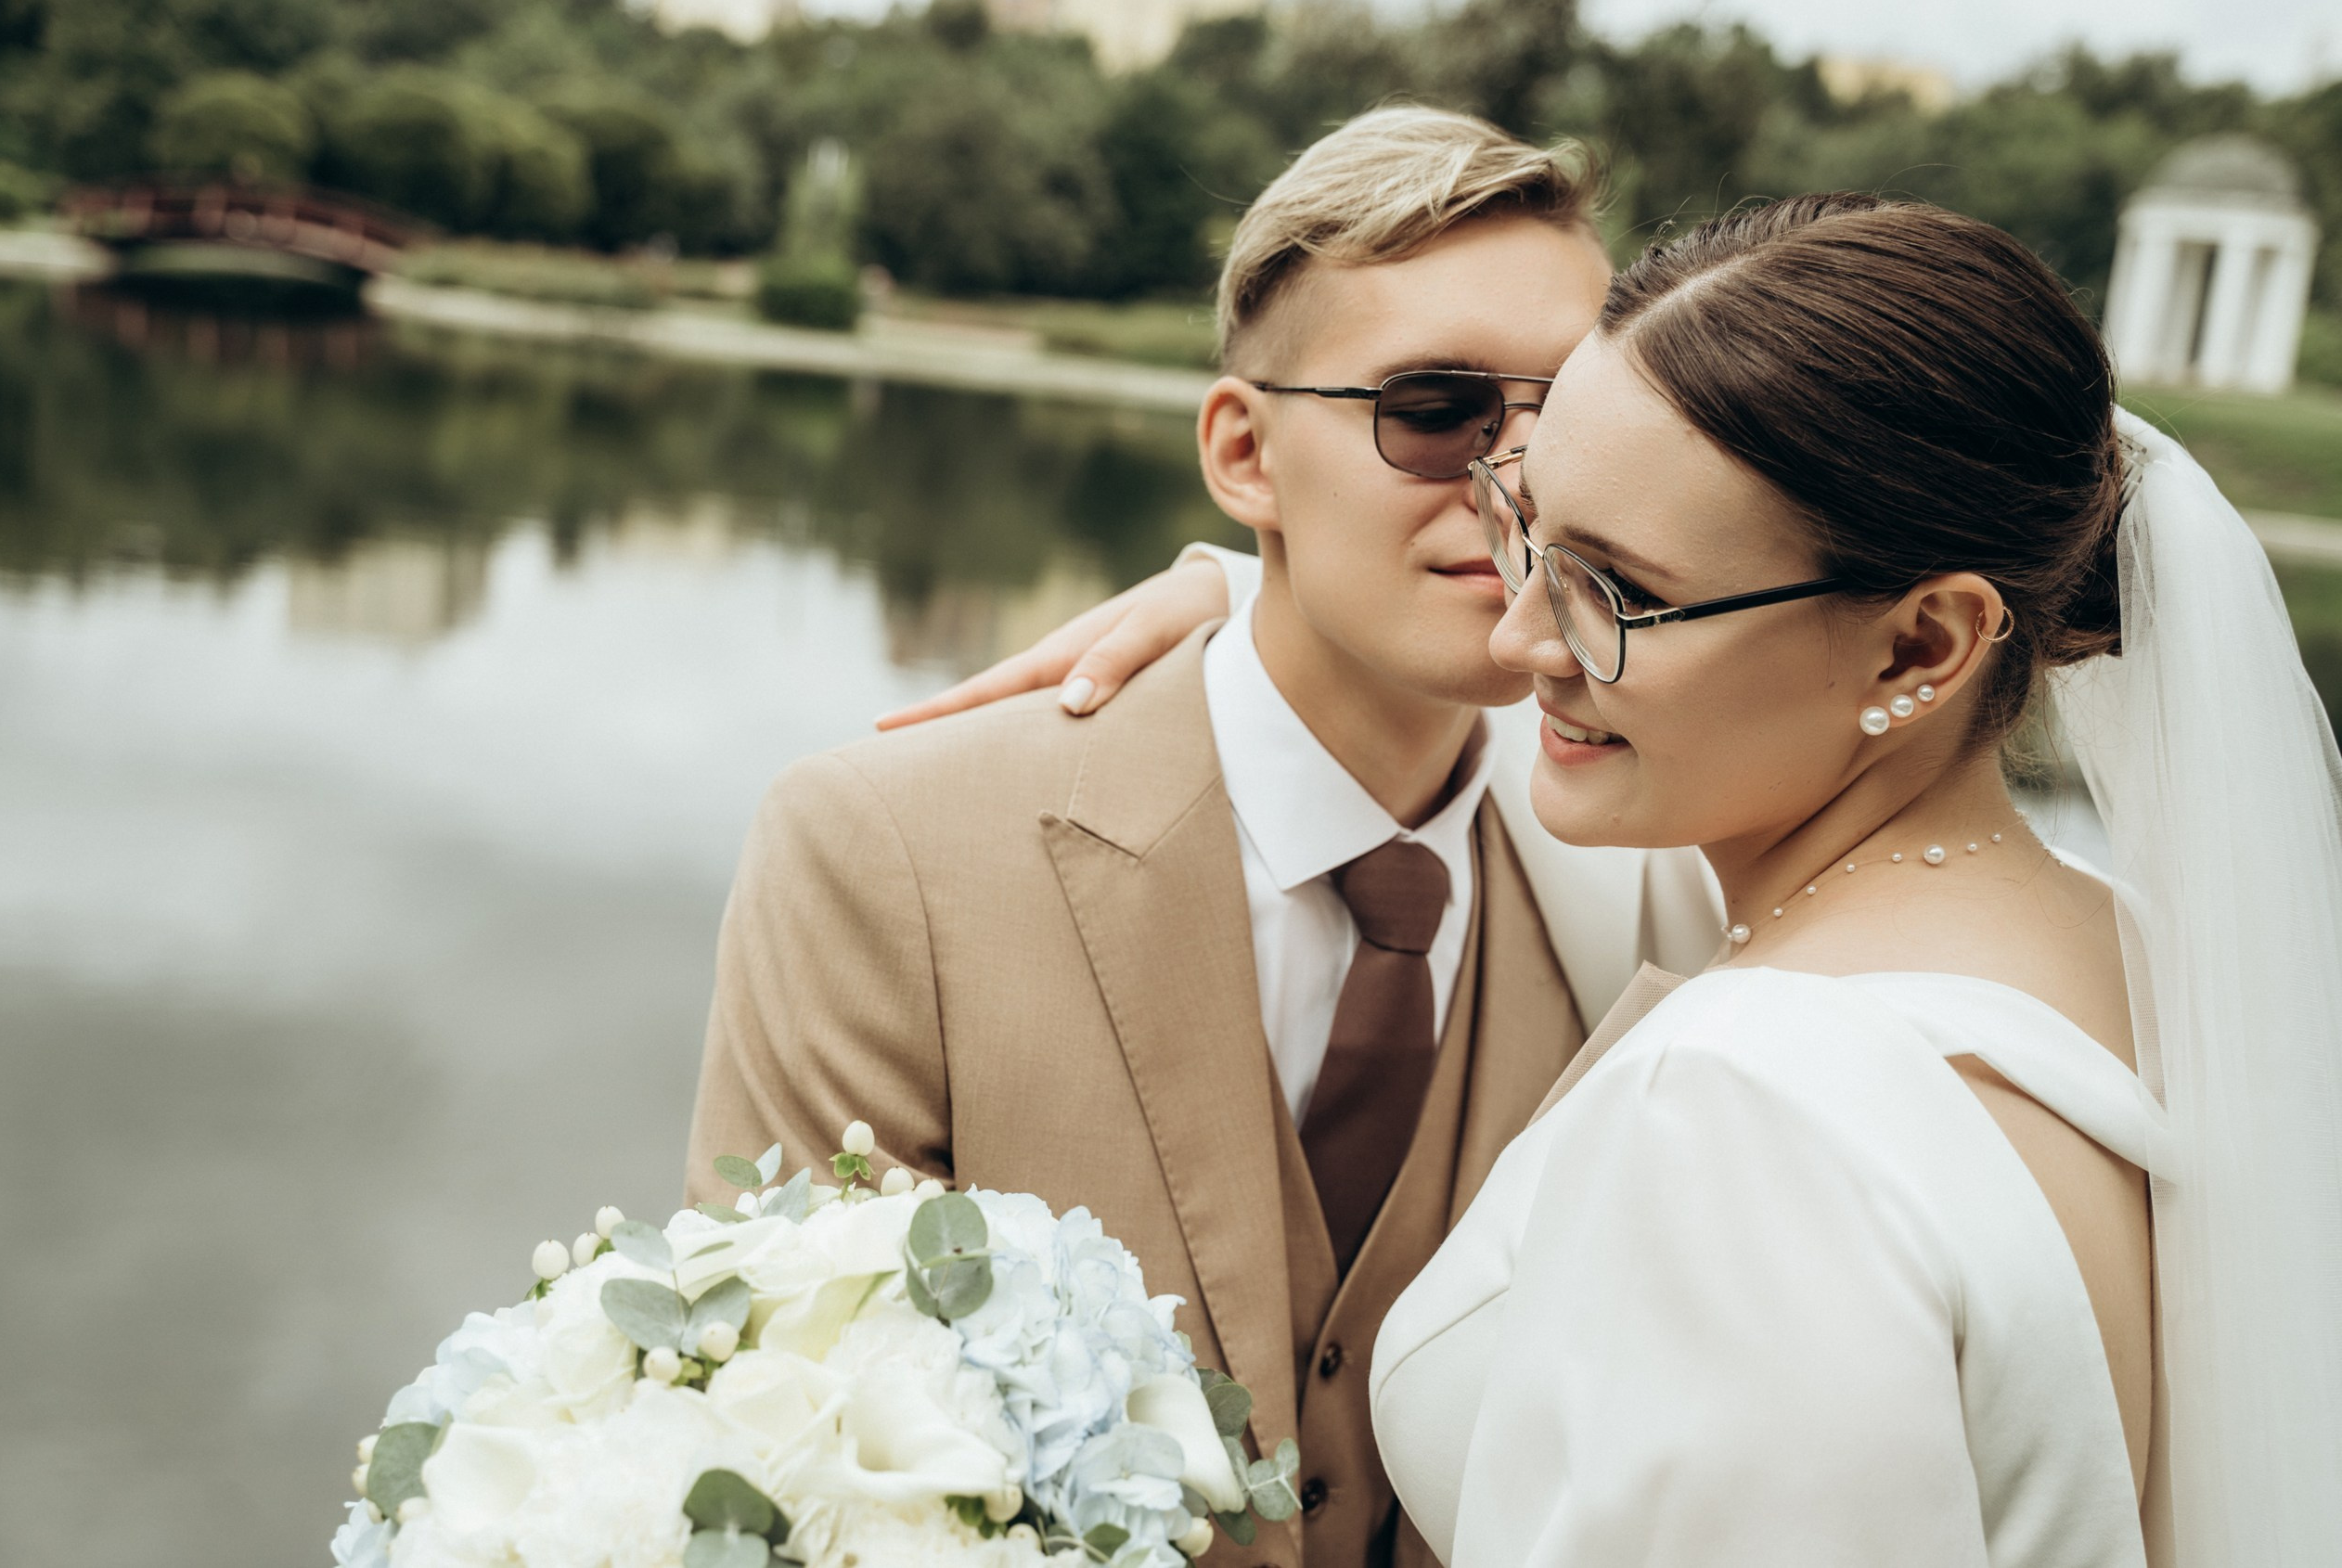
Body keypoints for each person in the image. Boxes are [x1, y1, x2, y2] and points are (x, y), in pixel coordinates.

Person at [908, 194, 2342, 1565]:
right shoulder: (2154, 967)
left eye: (1613, 593)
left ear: (1920, 648)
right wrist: (1245, 598)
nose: (1520, 637)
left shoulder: (1746, 1117)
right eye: (1523, 523)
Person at [685, 108, 1721, 1568]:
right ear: (1245, 454)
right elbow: (786, 1435)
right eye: (1437, 410)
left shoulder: (1669, 881)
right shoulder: (884, 853)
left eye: (1574, 415)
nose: (1523, 485)